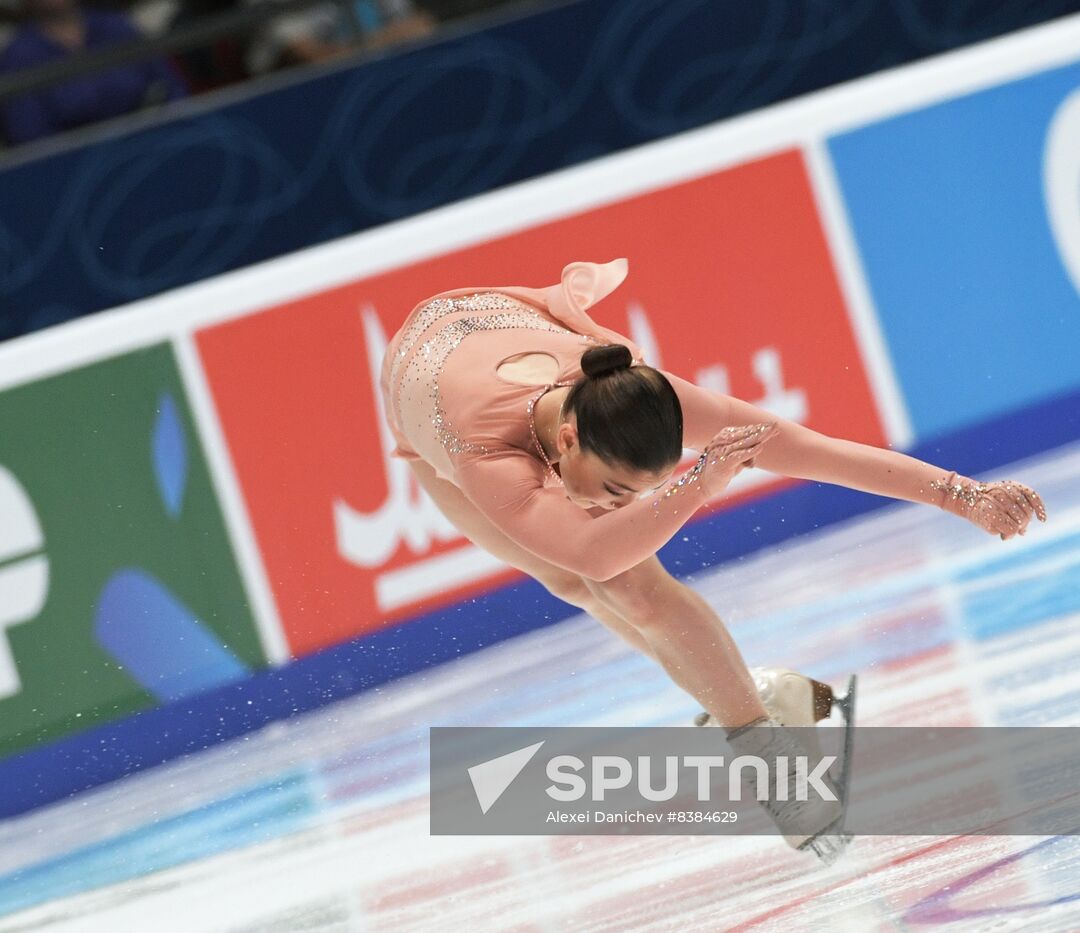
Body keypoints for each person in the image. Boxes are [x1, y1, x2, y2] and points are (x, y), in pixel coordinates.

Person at [378, 257, 1047, 858]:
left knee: (635, 587)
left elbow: (813, 450)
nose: (616, 504)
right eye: (614, 489)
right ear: (570, 438)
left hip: (497, 331)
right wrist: (693, 487)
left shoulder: (634, 392)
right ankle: (751, 701)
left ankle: (763, 746)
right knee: (582, 579)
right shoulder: (486, 452)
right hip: (428, 401)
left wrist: (965, 494)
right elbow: (594, 552)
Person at [0, 0, 191, 147]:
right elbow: (32, 141)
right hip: (81, 176)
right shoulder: (18, 58)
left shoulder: (116, 26)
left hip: (155, 146)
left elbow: (172, 87)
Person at [244, 0, 436, 75]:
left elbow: (421, 27)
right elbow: (314, 58)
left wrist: (360, 50)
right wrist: (383, 42)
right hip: (302, 103)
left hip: (394, 74)